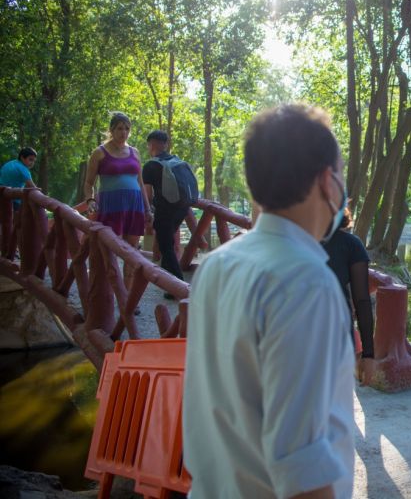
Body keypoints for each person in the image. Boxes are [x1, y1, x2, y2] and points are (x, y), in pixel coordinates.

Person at [183, 105, 355, 498]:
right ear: (328, 181)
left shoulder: (216, 264)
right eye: (341, 175)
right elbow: (300, 466)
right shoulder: (305, 282)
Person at [322, 207, 377, 385]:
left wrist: (368, 354)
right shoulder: (294, 242)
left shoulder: (351, 244)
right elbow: (362, 300)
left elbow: (362, 300)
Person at [83, 112, 151, 247]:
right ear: (111, 130)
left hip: (134, 205)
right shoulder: (99, 152)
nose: (124, 132)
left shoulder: (135, 152)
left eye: (127, 128)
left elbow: (141, 183)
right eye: (120, 128)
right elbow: (89, 183)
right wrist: (90, 200)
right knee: (112, 248)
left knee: (132, 251)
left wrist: (148, 209)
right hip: (111, 205)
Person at [142, 130, 189, 290]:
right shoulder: (177, 161)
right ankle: (170, 288)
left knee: (166, 248)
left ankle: (180, 287)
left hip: (164, 210)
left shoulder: (150, 165)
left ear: (151, 144)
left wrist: (148, 214)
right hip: (182, 209)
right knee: (167, 244)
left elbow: (147, 195)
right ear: (166, 144)